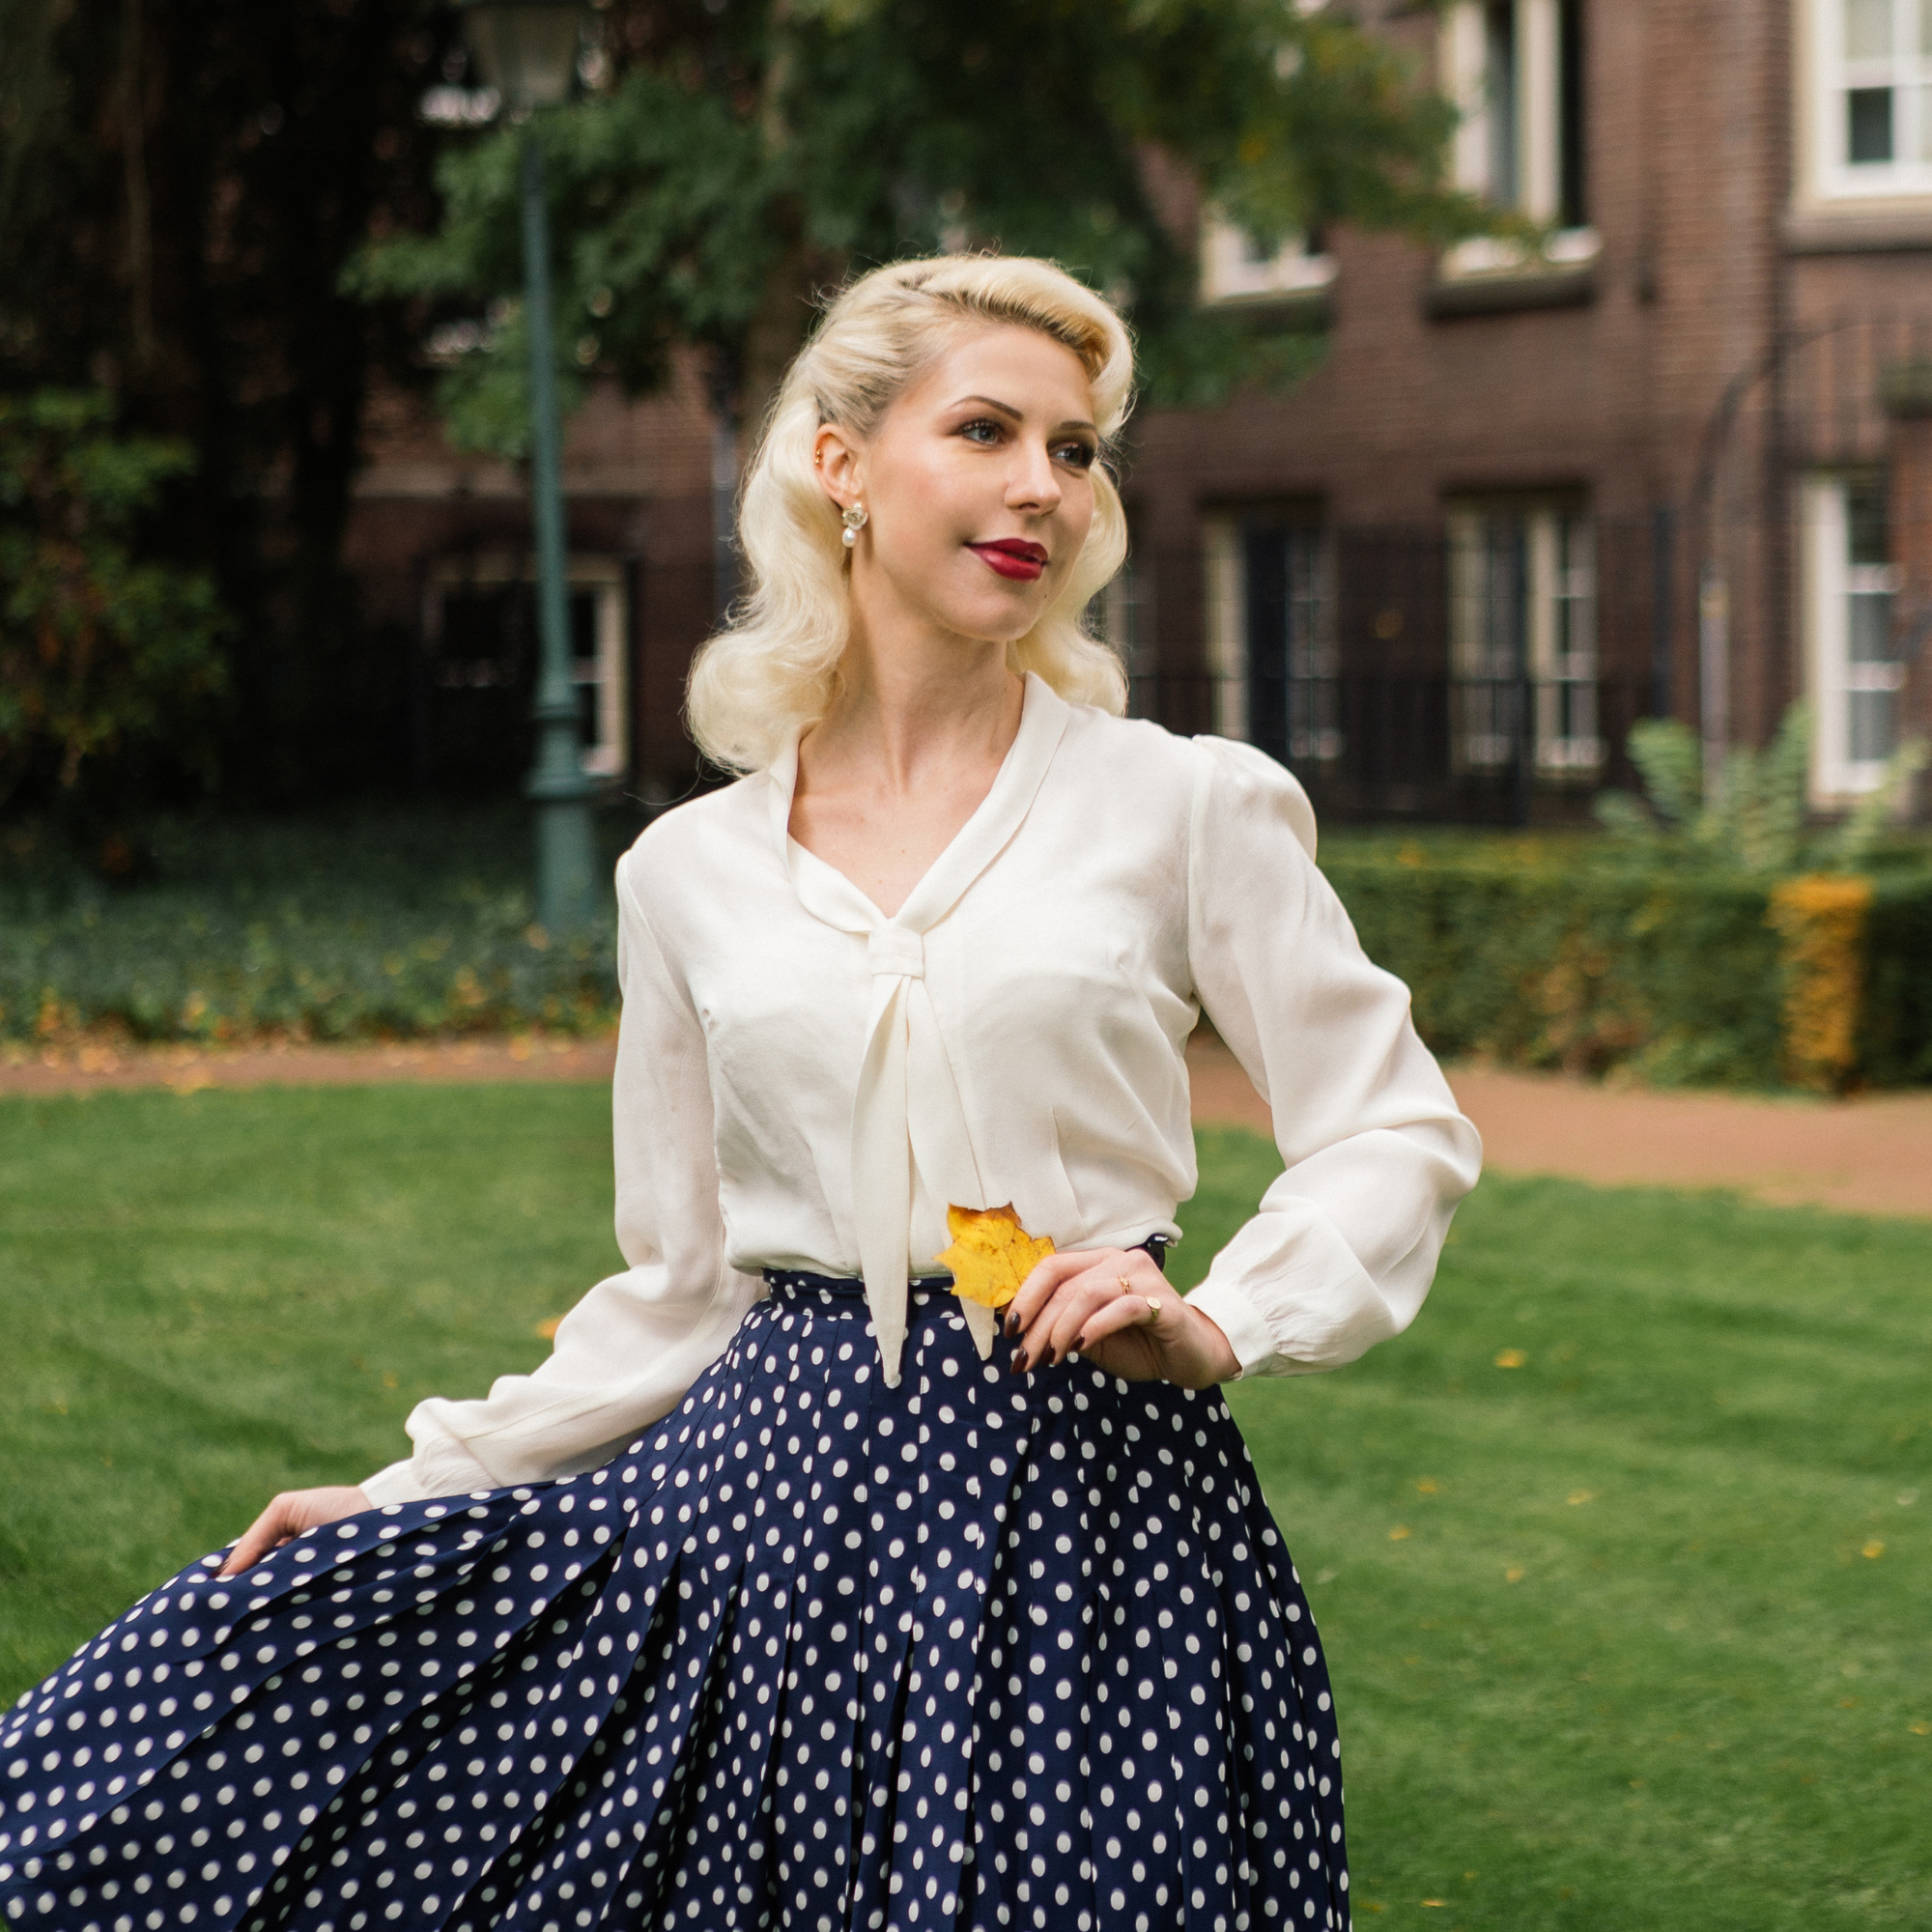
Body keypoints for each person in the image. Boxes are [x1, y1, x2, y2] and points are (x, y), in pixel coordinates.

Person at [0, 255, 1479, 1932]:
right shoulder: (686, 874)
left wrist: (1218, 1319)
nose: (1041, 490)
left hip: (1092, 1522)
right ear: (840, 464)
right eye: (986, 429)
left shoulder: (1184, 807)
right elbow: (683, 1284)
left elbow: (1393, 1126)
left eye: (1076, 451)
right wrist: (417, 1491)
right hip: (764, 1515)